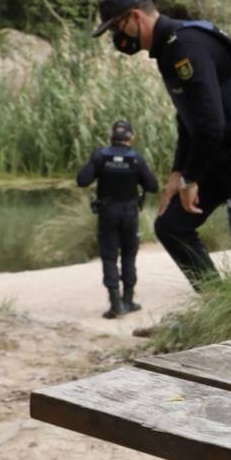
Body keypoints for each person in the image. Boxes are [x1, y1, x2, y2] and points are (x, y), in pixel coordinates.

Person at [92, 0, 231, 289]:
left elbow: (210, 123)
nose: (116, 39)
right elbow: (188, 119)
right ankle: (220, 302)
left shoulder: (187, 44)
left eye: (116, 28)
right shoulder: (168, 50)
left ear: (135, 17)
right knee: (171, 225)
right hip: (218, 155)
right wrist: (178, 173)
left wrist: (191, 179)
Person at [76, 119, 158, 318]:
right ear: (131, 138)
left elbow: (82, 180)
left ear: (111, 137)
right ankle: (128, 300)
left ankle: (115, 304)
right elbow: (153, 186)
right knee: (129, 255)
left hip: (107, 213)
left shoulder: (101, 156)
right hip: (130, 214)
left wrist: (96, 163)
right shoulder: (135, 158)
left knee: (110, 256)